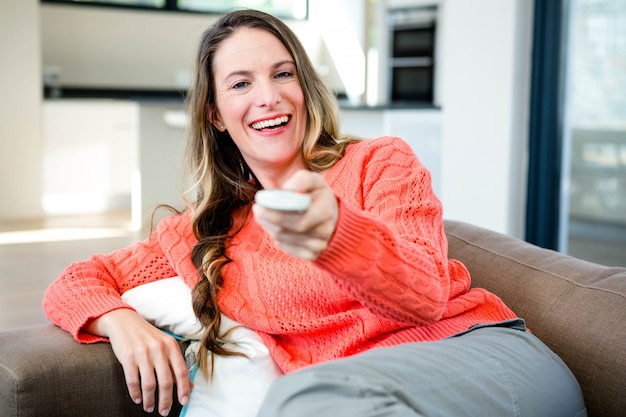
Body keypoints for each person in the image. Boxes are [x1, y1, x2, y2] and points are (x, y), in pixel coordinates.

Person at [43, 9, 587, 417]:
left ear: (304, 85)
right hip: (361, 398)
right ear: (215, 114)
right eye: (240, 83)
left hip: (484, 363)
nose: (269, 97)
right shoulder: (202, 227)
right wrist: (120, 324)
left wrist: (336, 236)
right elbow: (76, 282)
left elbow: (423, 296)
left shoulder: (379, 162)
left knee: (304, 400)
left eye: (283, 74)